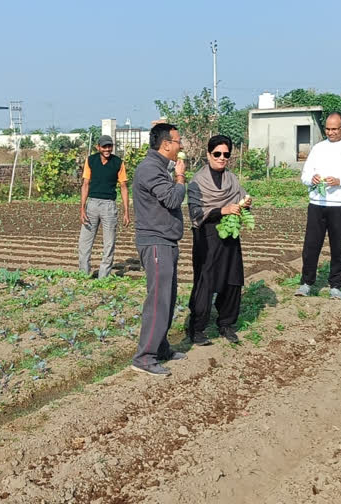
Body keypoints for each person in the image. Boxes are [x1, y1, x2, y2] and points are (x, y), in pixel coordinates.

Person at [130, 123, 189, 376]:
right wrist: (180, 177)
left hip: (165, 241)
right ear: (166, 144)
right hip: (155, 242)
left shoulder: (157, 167)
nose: (181, 145)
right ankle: (144, 357)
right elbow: (173, 198)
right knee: (157, 301)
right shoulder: (150, 169)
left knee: (168, 298)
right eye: (178, 141)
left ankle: (161, 348)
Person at [186, 135, 252, 345]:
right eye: (217, 154)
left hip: (229, 235)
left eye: (226, 154)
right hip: (207, 236)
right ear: (208, 154)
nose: (222, 158)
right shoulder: (198, 181)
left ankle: (226, 324)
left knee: (232, 280)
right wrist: (221, 210)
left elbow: (241, 198)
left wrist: (245, 203)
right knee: (205, 281)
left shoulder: (232, 179)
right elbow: (195, 212)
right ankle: (196, 329)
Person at [295, 111, 341, 299]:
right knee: (311, 245)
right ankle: (306, 283)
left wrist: (340, 181)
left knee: (338, 246)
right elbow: (304, 176)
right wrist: (312, 179)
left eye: (334, 129)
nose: (331, 132)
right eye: (327, 129)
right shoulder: (318, 149)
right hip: (317, 203)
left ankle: (335, 285)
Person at [78, 134, 130, 279]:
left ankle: (103, 277)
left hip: (109, 206)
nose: (107, 149)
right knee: (84, 242)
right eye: (104, 146)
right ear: (98, 147)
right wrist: (82, 208)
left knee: (109, 243)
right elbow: (85, 184)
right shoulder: (91, 160)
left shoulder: (118, 162)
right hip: (92, 204)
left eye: (110, 146)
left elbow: (124, 187)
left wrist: (126, 211)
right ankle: (84, 274)